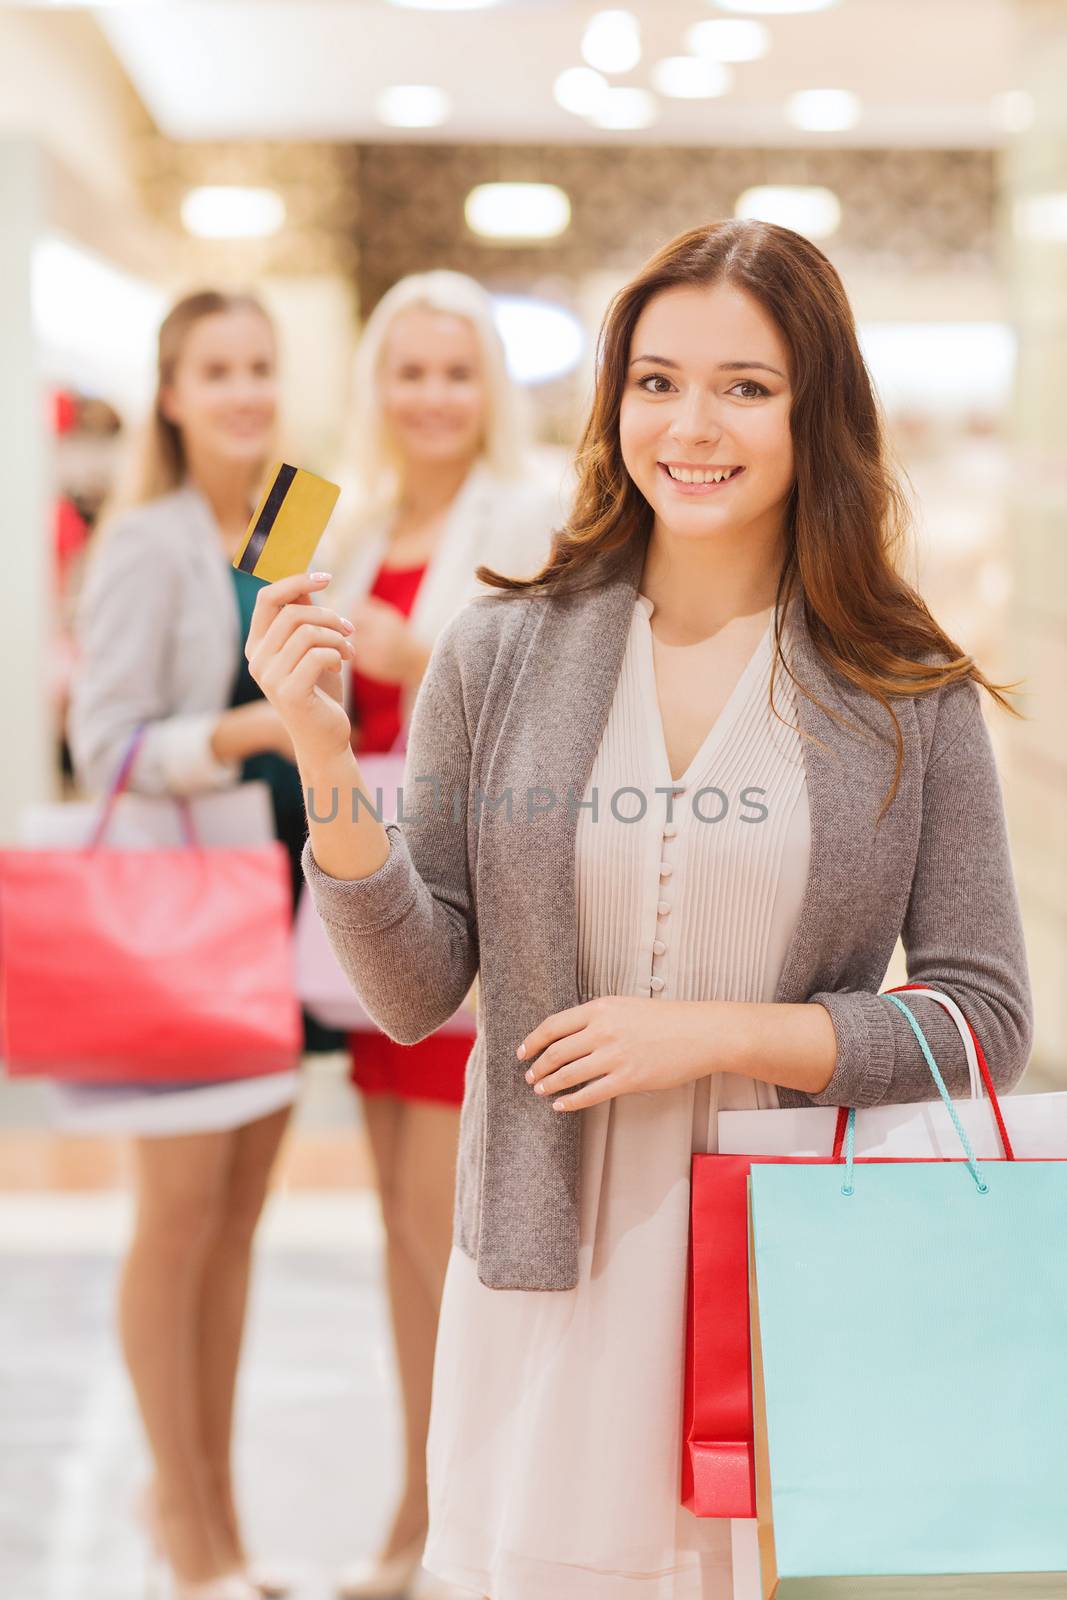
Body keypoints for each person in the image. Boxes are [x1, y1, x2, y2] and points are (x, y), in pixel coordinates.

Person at [245, 221, 1033, 1598]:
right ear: (613, 405)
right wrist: (321, 757)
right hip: (548, 1269)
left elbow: (987, 1022)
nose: (692, 423)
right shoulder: (503, 650)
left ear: (815, 409)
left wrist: (725, 1033)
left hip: (799, 1264)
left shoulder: (908, 688)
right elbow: (418, 985)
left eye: (746, 384)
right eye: (656, 381)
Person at [67, 289, 331, 1600]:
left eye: (260, 368)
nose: (243, 392)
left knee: (238, 1225)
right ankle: (188, 1532)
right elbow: (101, 742)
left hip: (282, 908)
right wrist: (245, 734)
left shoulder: (295, 517)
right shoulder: (145, 542)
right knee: (175, 1224)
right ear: (170, 394)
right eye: (216, 370)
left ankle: (213, 1510)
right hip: (182, 915)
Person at [321, 270, 562, 1598]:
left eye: (453, 372)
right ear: (378, 385)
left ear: (489, 388)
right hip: (369, 913)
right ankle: (420, 1515)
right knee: (401, 1243)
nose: (429, 398)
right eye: (407, 373)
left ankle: (463, 1519)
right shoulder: (348, 526)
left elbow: (537, 702)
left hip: (462, 917)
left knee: (452, 1237)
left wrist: (414, 657)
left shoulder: (529, 517)